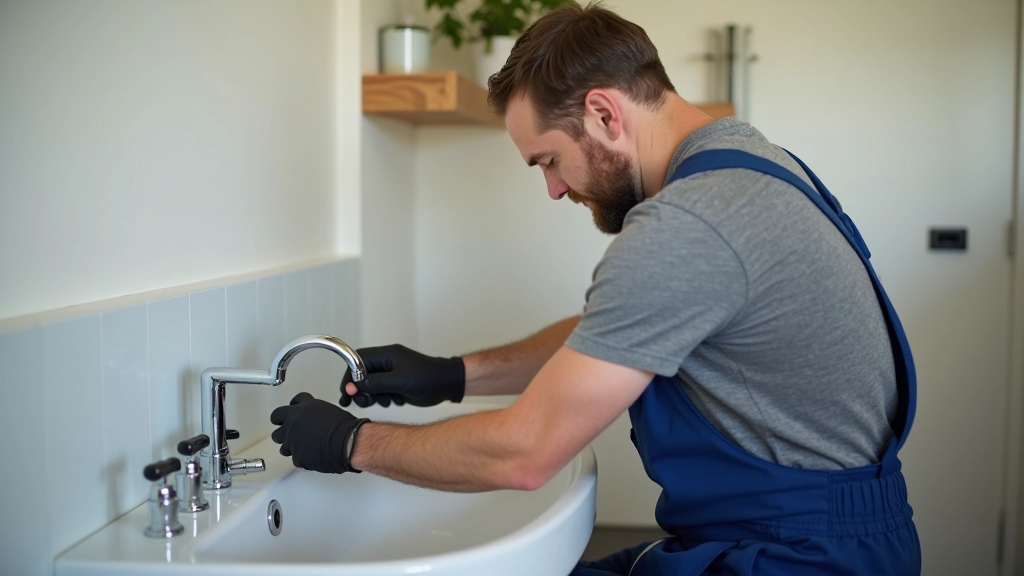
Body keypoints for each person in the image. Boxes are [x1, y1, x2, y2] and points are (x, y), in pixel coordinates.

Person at [269, 2, 921, 574]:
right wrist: (450, 375)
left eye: (548, 160)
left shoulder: (690, 224)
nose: (554, 189)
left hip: (797, 558)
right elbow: (613, 332)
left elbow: (524, 455)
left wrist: (353, 442)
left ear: (605, 112)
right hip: (827, 539)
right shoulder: (755, 167)